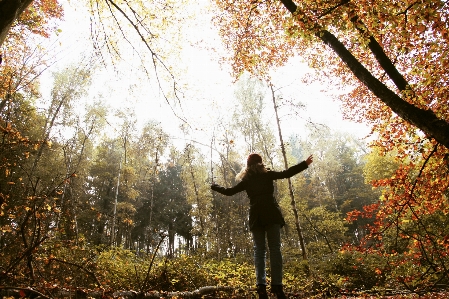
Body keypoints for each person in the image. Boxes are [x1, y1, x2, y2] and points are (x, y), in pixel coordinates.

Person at [210, 153, 313, 299]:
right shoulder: (267, 174)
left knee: (259, 251)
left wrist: (215, 186)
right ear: (261, 163)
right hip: (271, 214)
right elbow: (287, 173)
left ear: (248, 165)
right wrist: (305, 163)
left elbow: (229, 192)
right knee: (275, 249)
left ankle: (261, 287)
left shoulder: (247, 179)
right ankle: (277, 287)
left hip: (256, 216)